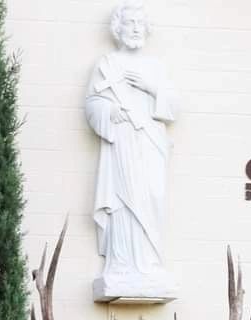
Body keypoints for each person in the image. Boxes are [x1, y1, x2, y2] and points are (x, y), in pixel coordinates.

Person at [85, 2, 176, 289]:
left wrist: (151, 87)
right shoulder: (107, 64)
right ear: (118, 28)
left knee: (152, 197)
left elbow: (174, 107)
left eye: (139, 23)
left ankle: (150, 263)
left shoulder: (155, 67)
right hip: (122, 141)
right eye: (129, 23)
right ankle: (122, 264)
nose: (136, 28)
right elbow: (93, 103)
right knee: (123, 202)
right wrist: (111, 112)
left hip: (150, 142)